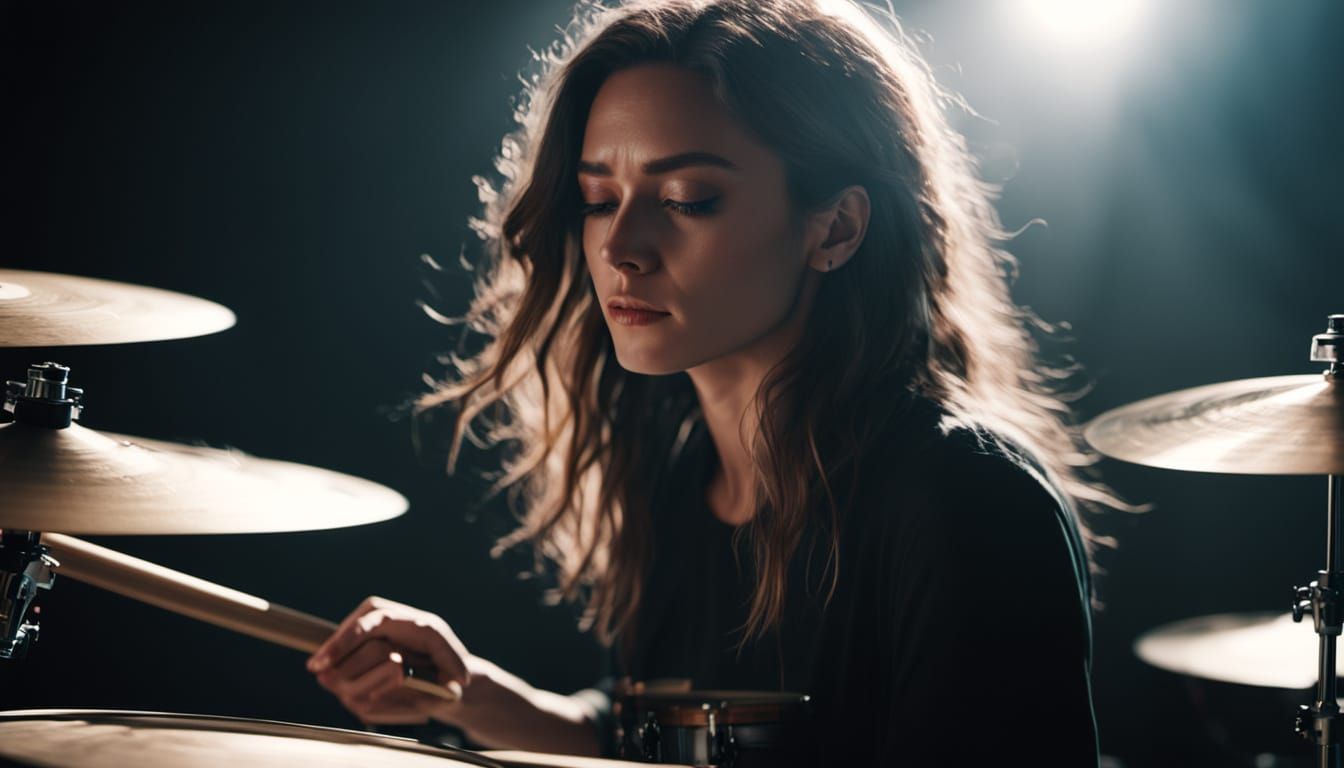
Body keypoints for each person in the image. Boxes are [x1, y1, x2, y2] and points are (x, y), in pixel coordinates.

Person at [306, 0, 1112, 763]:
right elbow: (659, 741)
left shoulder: (964, 502)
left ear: (835, 228)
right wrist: (469, 693)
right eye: (598, 199)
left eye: (688, 199)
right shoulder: (679, 481)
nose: (621, 245)